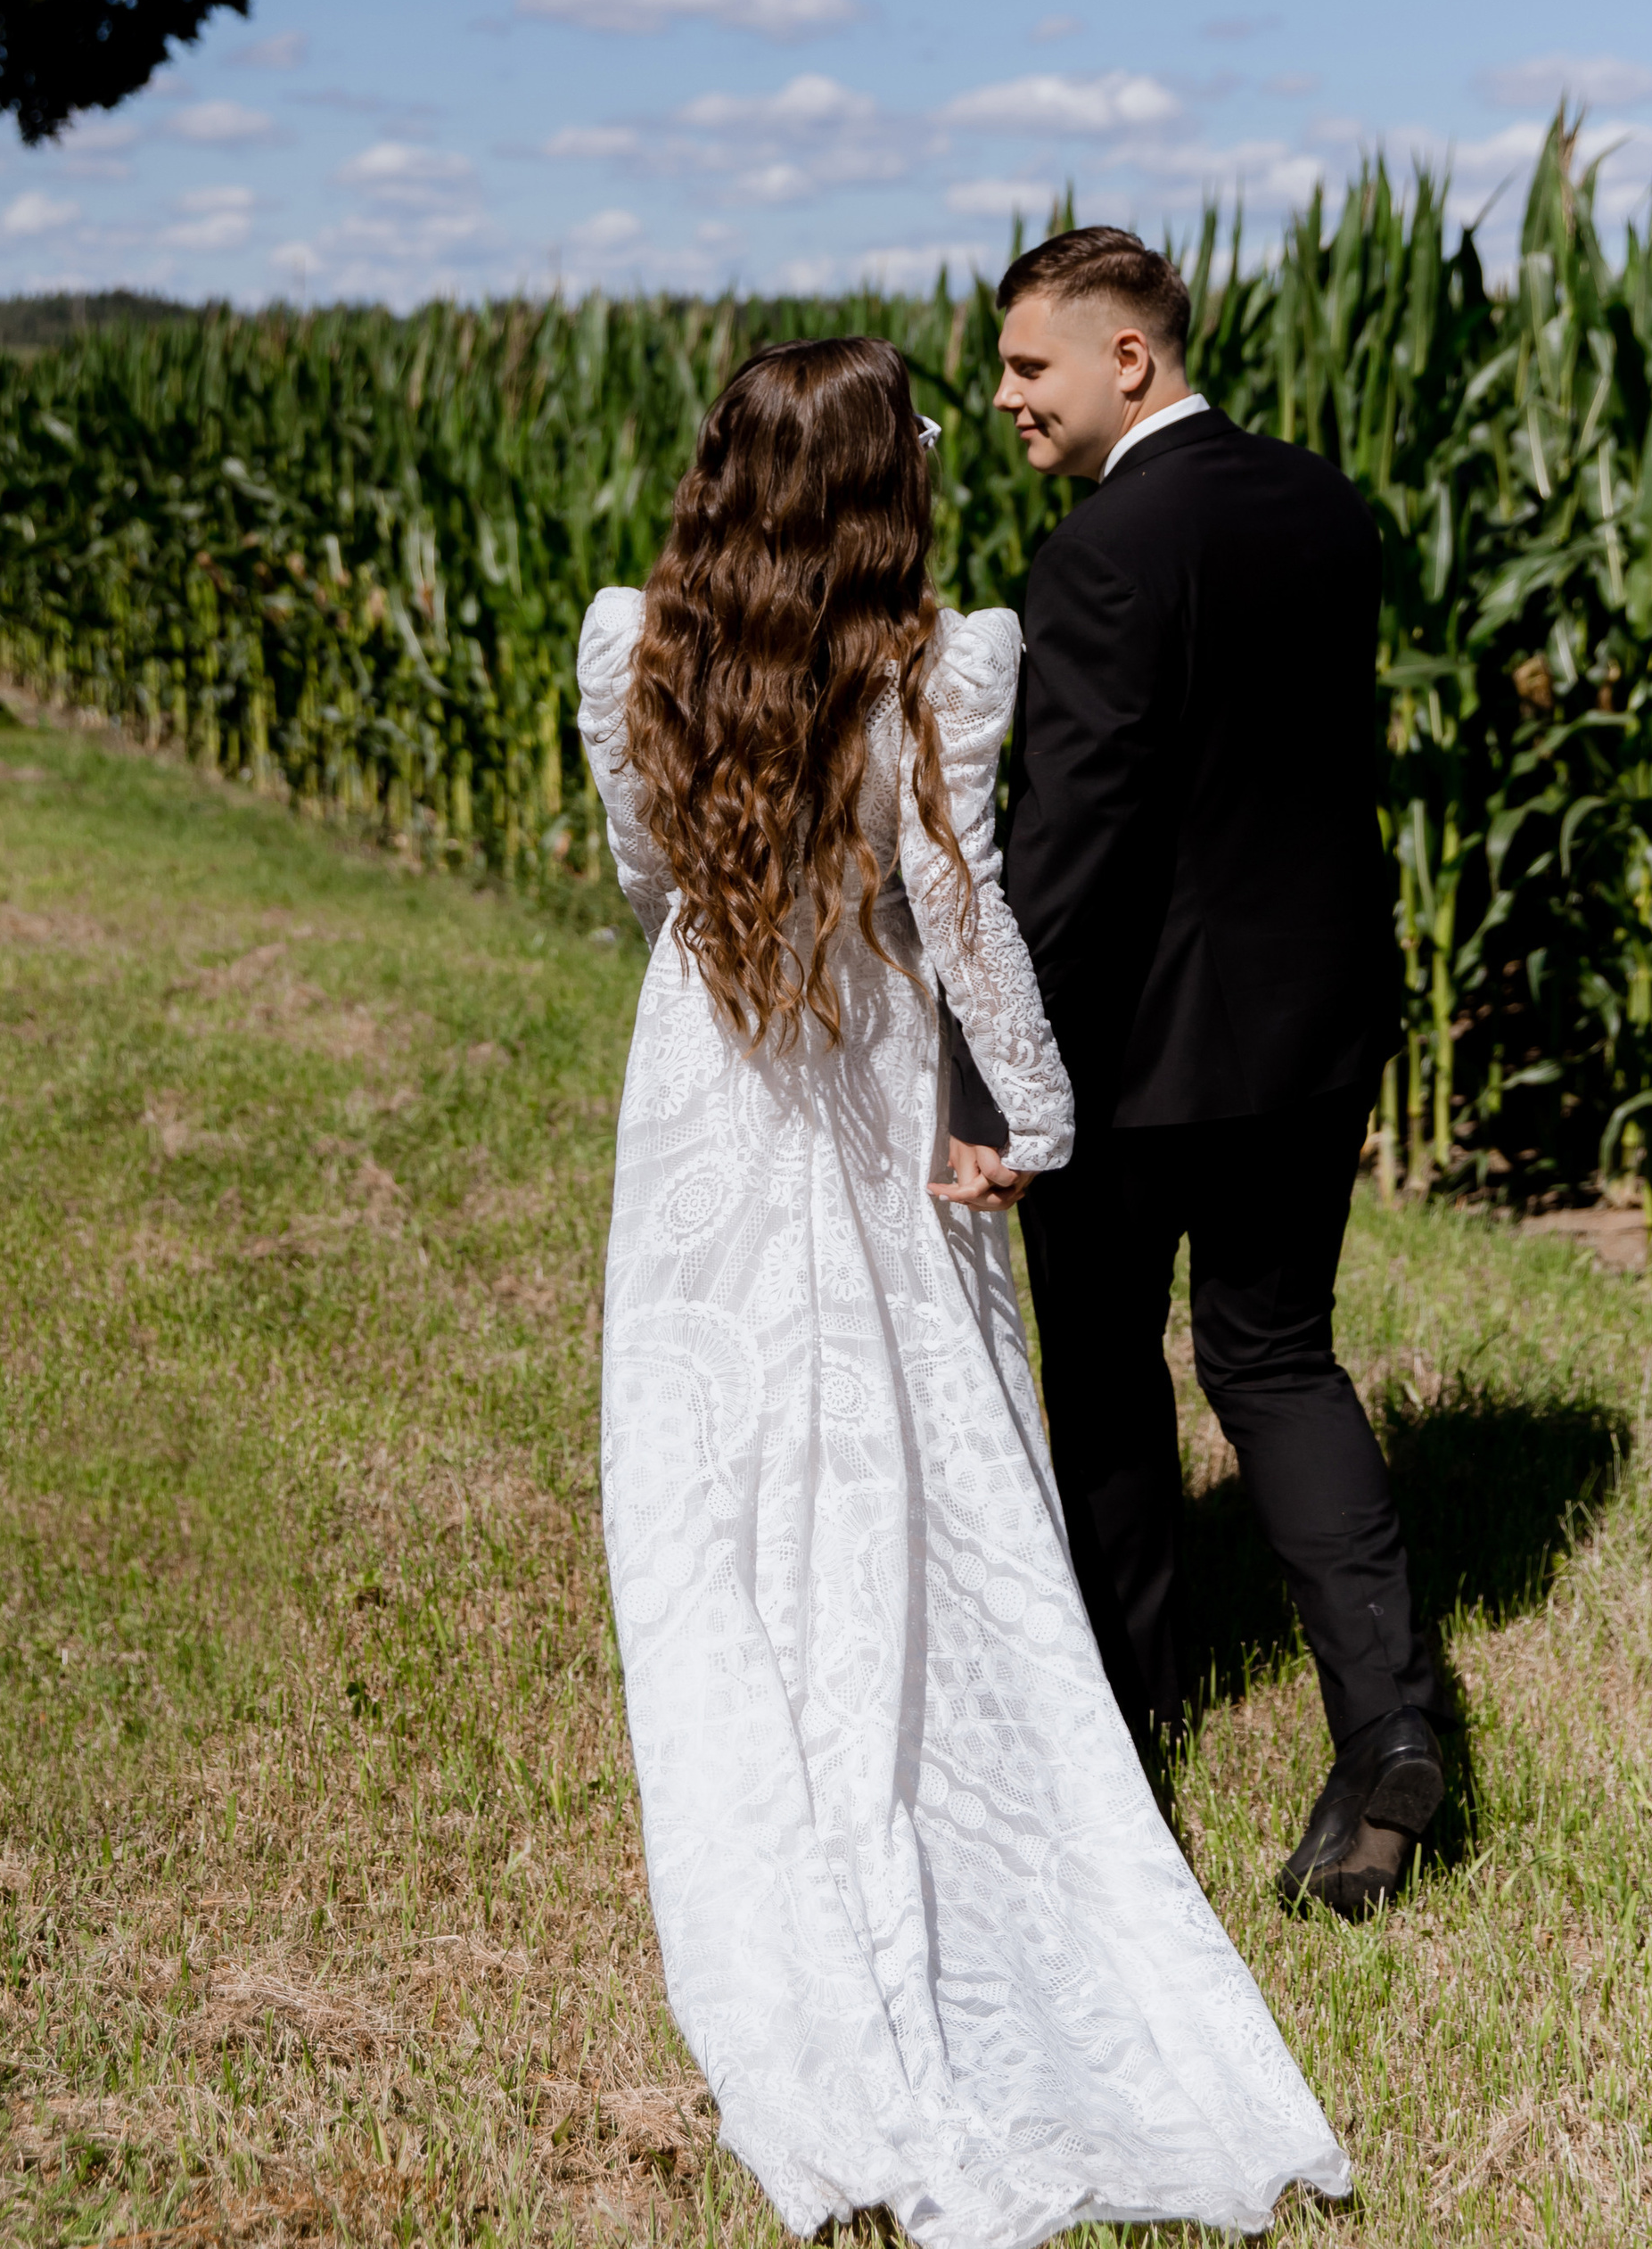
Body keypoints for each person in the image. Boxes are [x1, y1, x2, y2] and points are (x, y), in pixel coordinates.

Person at [578, 334, 1351, 2249]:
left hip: (709, 1064)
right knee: (928, 1428)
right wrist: (1027, 1114)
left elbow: (640, 872)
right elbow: (963, 908)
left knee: (720, 1442)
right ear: (875, 485)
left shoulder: (626, 643)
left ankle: (763, 1716)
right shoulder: (950, 663)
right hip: (868, 1073)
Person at [990, 227, 1444, 1920]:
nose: (1007, 397)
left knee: (1109, 1377)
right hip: (1318, 1026)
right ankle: (1387, 1722)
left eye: (1032, 366)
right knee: (1274, 1360)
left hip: (1144, 1054)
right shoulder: (1322, 502)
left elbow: (1081, 844)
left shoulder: (1105, 548)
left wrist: (998, 1073)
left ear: (1132, 359)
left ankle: (1124, 1722)